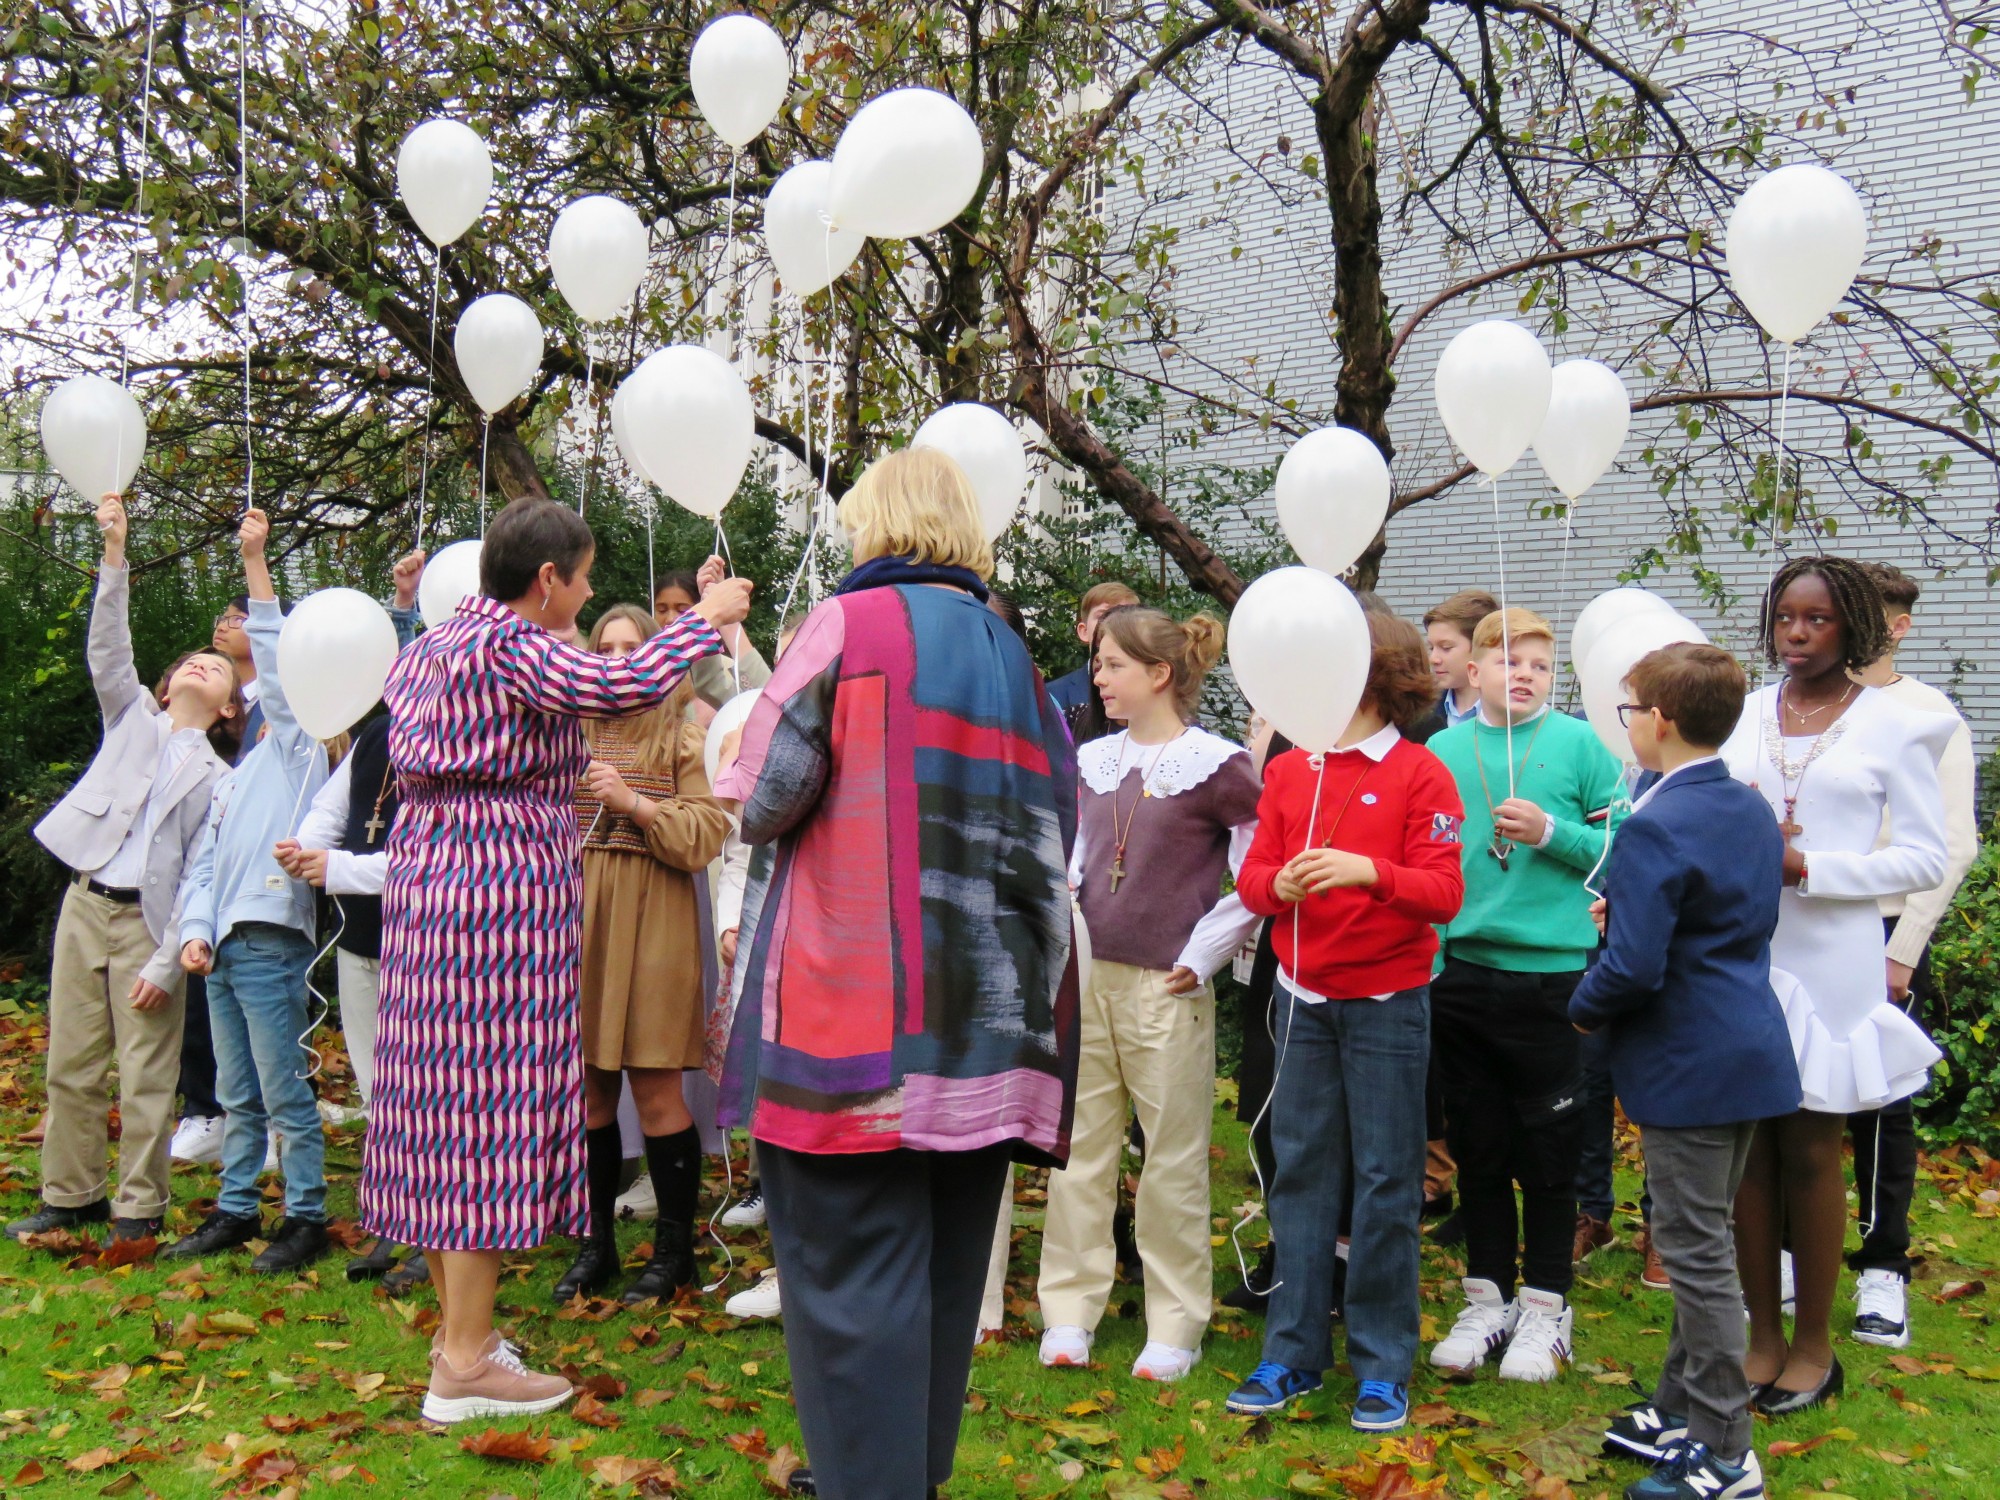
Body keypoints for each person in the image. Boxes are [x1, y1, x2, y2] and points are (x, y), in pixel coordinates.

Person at [714, 447, 1077, 1500]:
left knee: (845, 1282)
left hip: (854, 1016)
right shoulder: (1012, 650)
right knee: (940, 1277)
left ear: (879, 522)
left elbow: (761, 793)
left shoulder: (848, 622)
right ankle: (898, 1480)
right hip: (989, 1022)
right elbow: (1063, 814)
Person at [359, 497, 749, 1424]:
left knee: (448, 1116)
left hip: (429, 888)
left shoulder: (429, 648)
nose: (582, 597)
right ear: (548, 581)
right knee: (487, 1119)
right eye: (580, 580)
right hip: (496, 898)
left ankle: (465, 1335)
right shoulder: (507, 642)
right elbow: (616, 688)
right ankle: (463, 1361)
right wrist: (706, 617)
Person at [1222, 612, 1465, 1430]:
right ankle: (1291, 1354)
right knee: (1300, 1175)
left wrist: (1370, 872)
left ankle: (1383, 1363)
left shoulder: (1421, 773)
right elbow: (1253, 878)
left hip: (1387, 1008)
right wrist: (1276, 889)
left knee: (1388, 1182)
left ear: (1370, 675)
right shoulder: (1292, 771)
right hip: (1300, 999)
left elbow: (1444, 894)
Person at [1720, 556, 1950, 1414]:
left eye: (1817, 619)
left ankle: (1815, 1344)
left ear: (1851, 624)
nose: (1798, 633)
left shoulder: (1896, 725)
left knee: (1814, 1149)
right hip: (1745, 955)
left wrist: (1810, 864)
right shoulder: (1743, 716)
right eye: (1786, 617)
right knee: (1749, 1151)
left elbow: (1924, 855)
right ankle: (1760, 1337)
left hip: (1836, 957)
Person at [1571, 644, 1800, 1500]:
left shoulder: (1655, 823)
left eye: (1629, 711)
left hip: (1688, 1057)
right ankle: (1676, 1408)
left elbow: (1634, 969)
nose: (1626, 724)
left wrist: (1582, 1006)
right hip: (1748, 1044)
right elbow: (1730, 913)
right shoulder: (1744, 804)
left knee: (1698, 1253)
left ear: (1658, 722)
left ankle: (1727, 1450)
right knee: (1699, 1231)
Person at [5, 494, 241, 1246]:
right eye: (190, 662)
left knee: (147, 1074)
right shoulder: (130, 722)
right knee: (70, 1062)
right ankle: (69, 1193)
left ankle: (138, 1209)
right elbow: (108, 649)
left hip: (150, 925)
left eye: (217, 667)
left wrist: (170, 962)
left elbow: (204, 872)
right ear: (167, 687)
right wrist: (114, 555)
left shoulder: (219, 778)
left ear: (232, 707)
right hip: (85, 906)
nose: (201, 664)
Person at [1037, 605, 1261, 1383]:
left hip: (1165, 987)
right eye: (1098, 664)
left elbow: (1257, 877)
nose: (1096, 676)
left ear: (1159, 674)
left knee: (1170, 1158)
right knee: (1080, 1152)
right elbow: (1076, 855)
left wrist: (1202, 955)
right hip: (1088, 977)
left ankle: (1175, 1321)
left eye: (1111, 665)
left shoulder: (1220, 764)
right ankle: (1069, 1310)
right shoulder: (1092, 759)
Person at [1425, 606, 1624, 1382]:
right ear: (1473, 672)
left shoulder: (1581, 745)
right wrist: (1435, 959)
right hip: (1461, 973)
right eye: (1509, 661)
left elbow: (1624, 845)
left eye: (1539, 665)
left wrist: (1551, 832)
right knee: (1477, 1145)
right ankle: (1486, 1297)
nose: (1525, 675)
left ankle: (1547, 1306)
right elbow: (1427, 854)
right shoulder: (1442, 749)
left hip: (1551, 978)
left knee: (1548, 1151)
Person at [164, 509, 346, 1274]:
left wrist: (256, 564)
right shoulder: (235, 779)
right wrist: (193, 932)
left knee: (281, 1090)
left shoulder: (301, 752)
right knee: (237, 1091)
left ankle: (305, 1214)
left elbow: (271, 661)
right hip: (226, 950)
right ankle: (238, 1207)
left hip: (272, 940)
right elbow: (203, 866)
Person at [552, 603, 731, 1307]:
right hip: (578, 917)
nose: (619, 659)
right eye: (607, 648)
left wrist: (634, 803)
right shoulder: (570, 732)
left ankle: (674, 1253)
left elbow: (705, 833)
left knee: (656, 1087)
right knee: (591, 1088)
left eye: (634, 648)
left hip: (654, 917)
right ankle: (595, 1245)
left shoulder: (685, 736)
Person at [275, 552, 425, 1284]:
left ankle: (437, 1238)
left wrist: (335, 870)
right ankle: (394, 1225)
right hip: (361, 945)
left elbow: (427, 862)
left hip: (422, 943)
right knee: (376, 1087)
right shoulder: (375, 736)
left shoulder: (450, 748)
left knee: (425, 1094)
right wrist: (303, 846)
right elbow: (335, 807)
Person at [1846, 561, 1979, 1348]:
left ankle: (1882, 1266)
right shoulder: (1798, 707)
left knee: (1882, 1102)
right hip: (1798, 926)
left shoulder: (1931, 714)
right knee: (1793, 1099)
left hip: (1884, 929)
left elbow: (1954, 843)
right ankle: (1791, 1254)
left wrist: (1902, 952)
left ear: (1897, 625)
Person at [656, 558, 771, 711]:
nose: (670, 619)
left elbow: (764, 704)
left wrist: (724, 611)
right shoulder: (643, 668)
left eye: (683, 611)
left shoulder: (724, 667)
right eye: (662, 610)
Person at [1047, 581, 1141, 729]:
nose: (1113, 623)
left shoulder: (1149, 690)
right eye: (1103, 615)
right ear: (1083, 631)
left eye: (1124, 615)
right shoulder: (1053, 695)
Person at [1421, 589, 1501, 737]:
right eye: (1432, 647)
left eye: (1446, 648)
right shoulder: (1420, 714)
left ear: (1481, 646)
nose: (1433, 658)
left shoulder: (1511, 713)